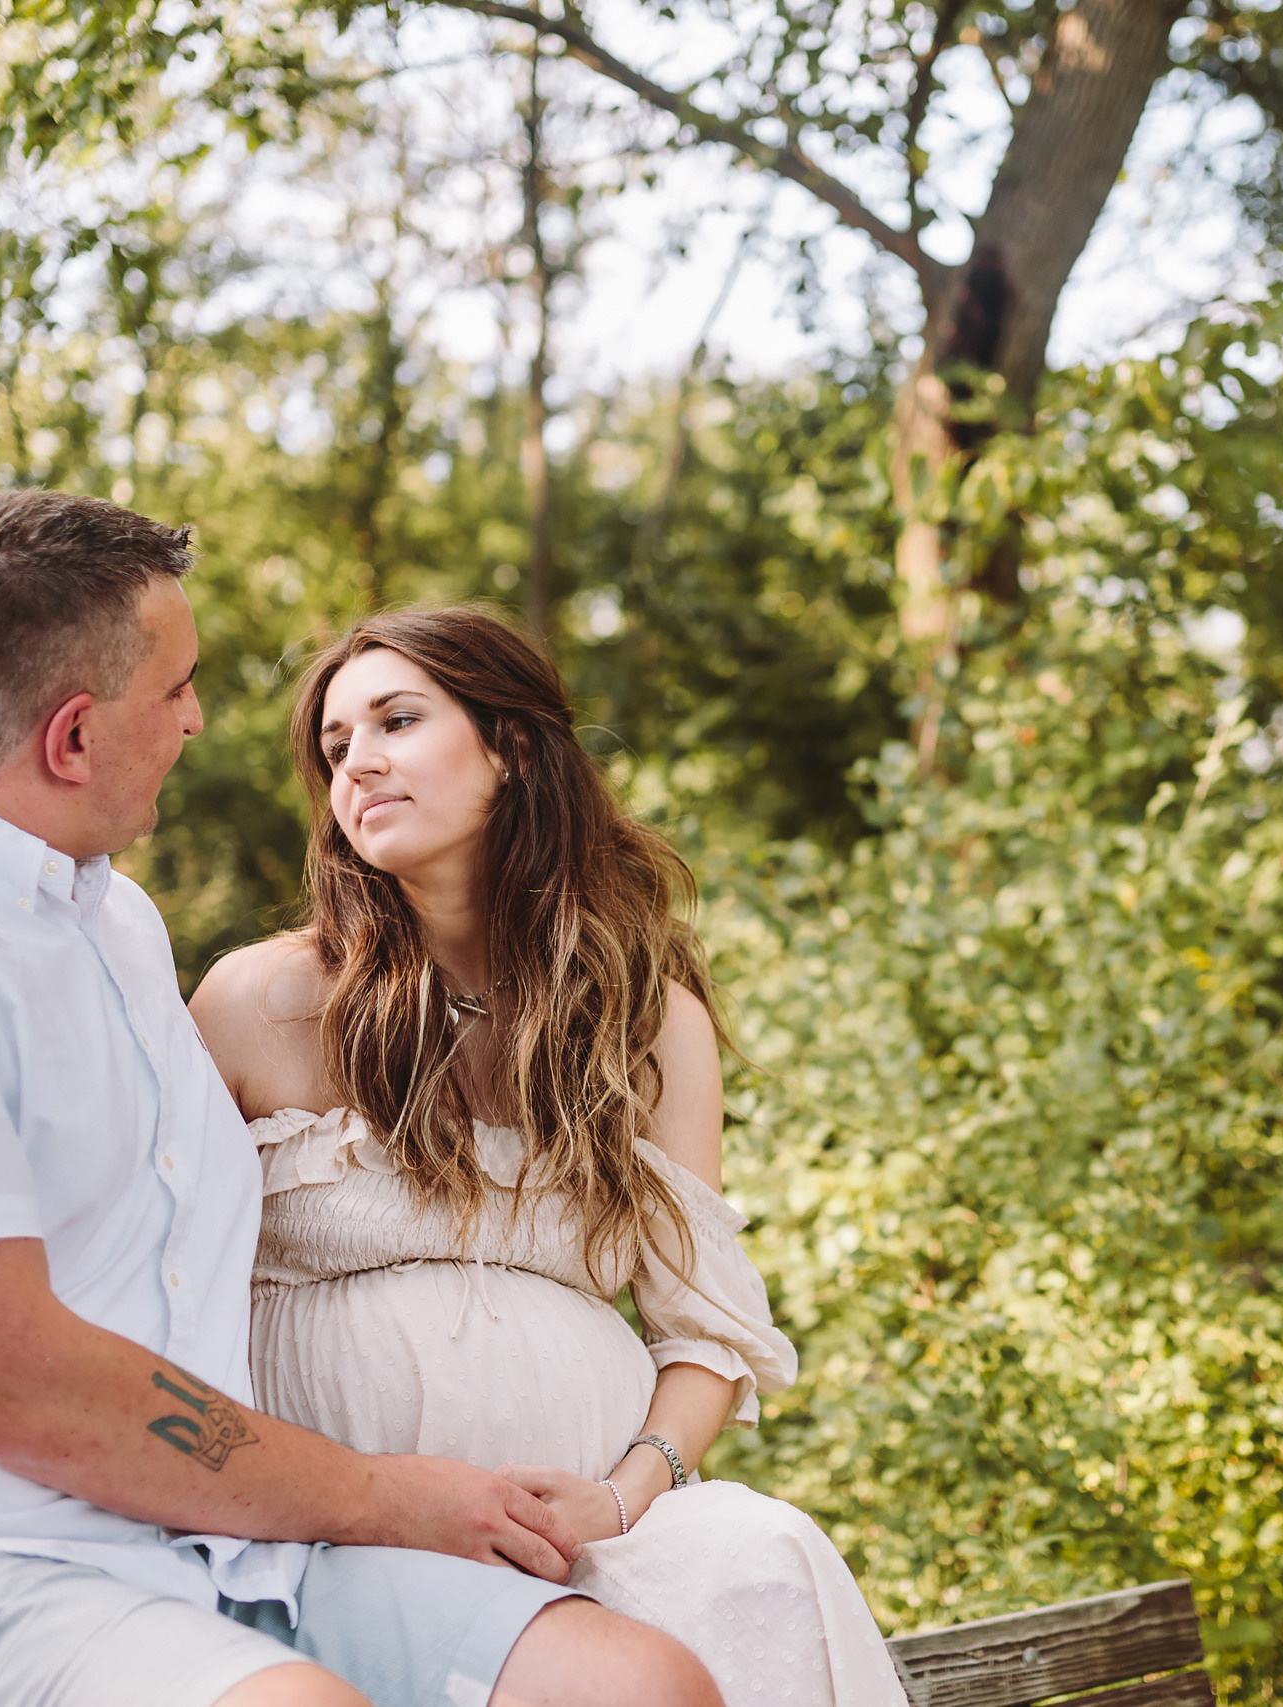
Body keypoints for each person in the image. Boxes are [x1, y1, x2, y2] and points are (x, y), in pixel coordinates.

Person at [0, 492, 723, 1707]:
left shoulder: (114, 927)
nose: (198, 719)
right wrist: (380, 1492)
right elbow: (8, 1379)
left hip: (196, 1553)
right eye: (177, 689)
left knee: (635, 1688)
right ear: (72, 737)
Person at [188, 607, 911, 1707]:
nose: (357, 764)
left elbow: (706, 1335)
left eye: (396, 721)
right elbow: (155, 1298)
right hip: (341, 1542)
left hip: (598, 1534)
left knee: (765, 1561)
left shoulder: (643, 1019)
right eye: (336, 747)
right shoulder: (261, 1000)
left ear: (512, 746)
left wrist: (616, 1501)